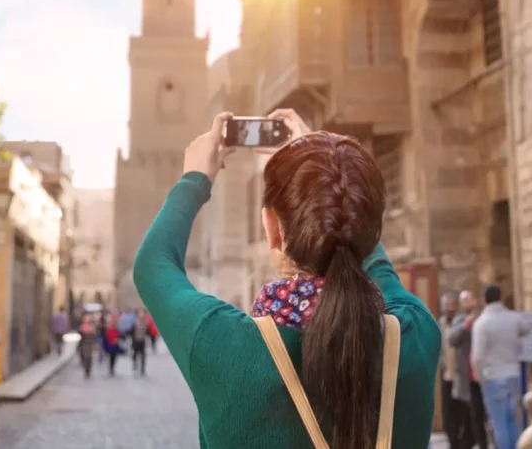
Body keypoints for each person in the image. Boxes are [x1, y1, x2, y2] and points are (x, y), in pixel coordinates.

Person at [133, 109, 441, 448]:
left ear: (272, 227)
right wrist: (324, 164)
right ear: (369, 228)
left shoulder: (222, 344)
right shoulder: (415, 335)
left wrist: (194, 178)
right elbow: (376, 267)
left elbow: (152, 266)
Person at [471, 285, 527, 449]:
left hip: (493, 376)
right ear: (500, 298)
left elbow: (477, 357)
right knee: (512, 420)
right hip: (513, 374)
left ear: (484, 300)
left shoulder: (482, 323)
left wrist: (480, 378)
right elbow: (526, 330)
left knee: (499, 423)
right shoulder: (514, 318)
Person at [448, 290, 488, 449]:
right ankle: (478, 443)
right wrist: (466, 324)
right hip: (468, 375)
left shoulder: (485, 317)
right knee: (473, 413)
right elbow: (452, 339)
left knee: (486, 412)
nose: (468, 303)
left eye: (470, 299)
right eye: (464, 301)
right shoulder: (460, 320)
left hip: (485, 373)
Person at [438, 292, 473, 449]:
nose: (449, 308)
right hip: (446, 375)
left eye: (452, 305)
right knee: (448, 415)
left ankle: (464, 444)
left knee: (463, 414)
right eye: (446, 305)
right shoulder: (439, 322)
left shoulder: (462, 322)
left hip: (461, 376)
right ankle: (453, 443)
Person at [78, 313, 98, 379]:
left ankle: (88, 369)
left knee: (89, 357)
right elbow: (80, 335)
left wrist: (95, 344)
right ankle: (86, 369)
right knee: (86, 357)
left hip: (90, 344)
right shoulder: (81, 327)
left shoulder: (92, 327)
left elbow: (94, 337)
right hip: (84, 344)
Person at [131, 310, 149, 376]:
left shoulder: (146, 322)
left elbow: (147, 332)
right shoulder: (135, 322)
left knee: (143, 356)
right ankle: (135, 366)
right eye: (140, 314)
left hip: (142, 341)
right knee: (135, 355)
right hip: (136, 341)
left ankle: (142, 369)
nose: (141, 315)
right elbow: (132, 331)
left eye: (143, 314)